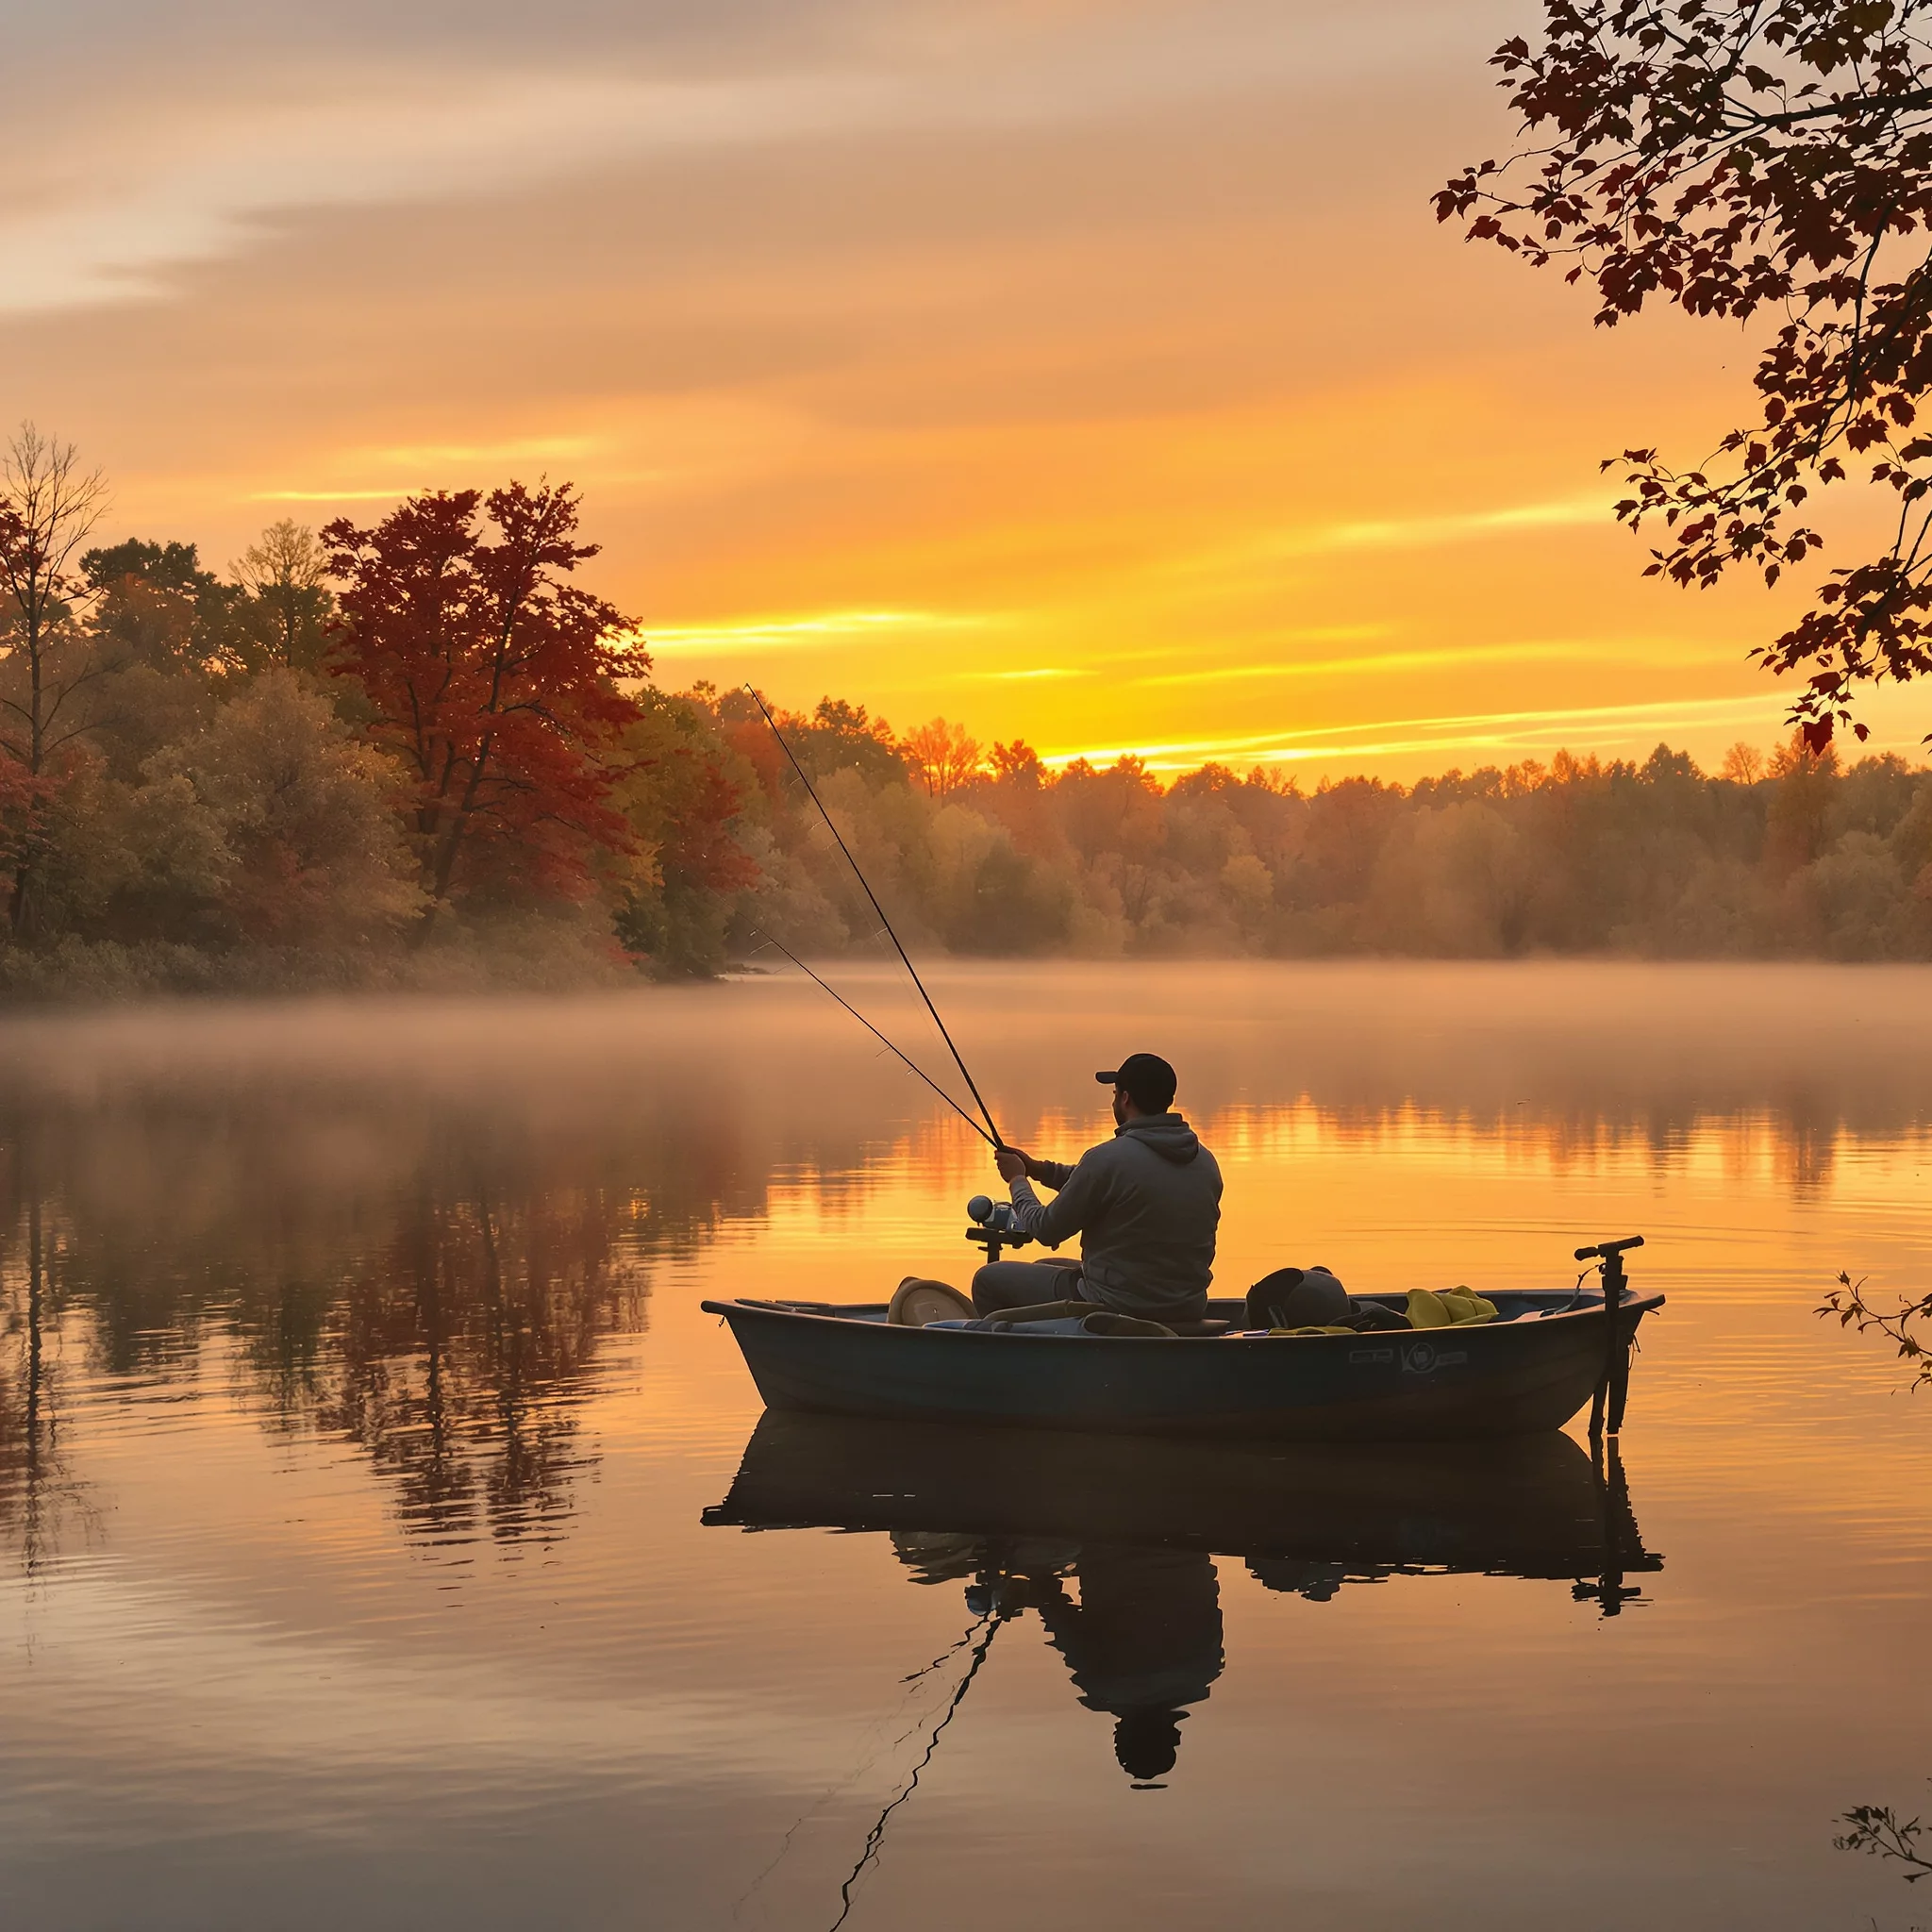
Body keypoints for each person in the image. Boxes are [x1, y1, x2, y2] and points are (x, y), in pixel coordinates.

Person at [974, 1051, 1223, 1325]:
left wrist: (1017, 1180)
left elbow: (1045, 1228)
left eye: (1115, 1093)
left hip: (1118, 1305)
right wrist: (1037, 1169)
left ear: (1125, 1098)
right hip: (1185, 1304)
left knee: (988, 1279)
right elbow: (1103, 1183)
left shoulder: (1108, 1159)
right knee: (1045, 1264)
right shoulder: (1205, 1161)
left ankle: (1011, 1361)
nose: (1114, 1100)